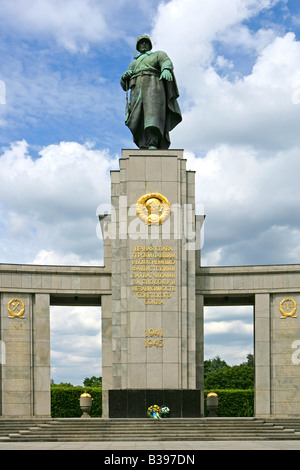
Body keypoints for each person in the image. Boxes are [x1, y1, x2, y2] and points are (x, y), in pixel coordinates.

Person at [120, 35, 182, 150]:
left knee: (152, 115)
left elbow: (166, 61)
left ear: (149, 45)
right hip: (136, 89)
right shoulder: (133, 64)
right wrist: (124, 77)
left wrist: (166, 69)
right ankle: (143, 143)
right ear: (137, 47)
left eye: (146, 42)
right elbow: (125, 86)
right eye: (141, 43)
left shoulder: (157, 54)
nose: (143, 44)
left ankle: (152, 142)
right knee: (138, 117)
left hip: (153, 85)